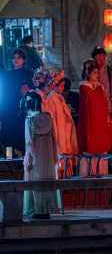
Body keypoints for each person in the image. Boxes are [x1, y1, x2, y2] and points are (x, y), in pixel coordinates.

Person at [21, 91, 60, 219]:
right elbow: (54, 137)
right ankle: (47, 209)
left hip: (37, 153)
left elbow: (29, 143)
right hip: (48, 152)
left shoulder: (30, 120)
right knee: (47, 176)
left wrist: (29, 161)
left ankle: (38, 210)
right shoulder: (48, 116)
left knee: (36, 177)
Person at [78, 59, 112, 165]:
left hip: (100, 122)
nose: (97, 75)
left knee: (101, 148)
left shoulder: (99, 87)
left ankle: (101, 171)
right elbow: (90, 103)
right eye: (94, 73)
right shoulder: (84, 88)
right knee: (91, 148)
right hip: (91, 121)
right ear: (88, 73)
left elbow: (103, 104)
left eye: (98, 73)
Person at [0, 48, 34, 154]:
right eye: (14, 57)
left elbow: (35, 90)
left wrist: (29, 90)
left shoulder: (29, 74)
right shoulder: (7, 74)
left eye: (19, 57)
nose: (16, 60)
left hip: (21, 109)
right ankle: (9, 158)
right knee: (7, 133)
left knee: (20, 133)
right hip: (7, 107)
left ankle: (21, 159)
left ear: (24, 60)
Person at [46, 70, 77, 156]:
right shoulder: (51, 98)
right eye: (61, 86)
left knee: (65, 152)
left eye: (63, 86)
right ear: (55, 86)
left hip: (64, 129)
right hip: (57, 130)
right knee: (59, 153)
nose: (63, 88)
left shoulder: (61, 98)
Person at [92, 46, 112, 127]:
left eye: (104, 59)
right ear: (93, 59)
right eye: (99, 59)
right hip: (94, 111)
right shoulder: (89, 75)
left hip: (108, 110)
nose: (102, 61)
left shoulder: (109, 75)